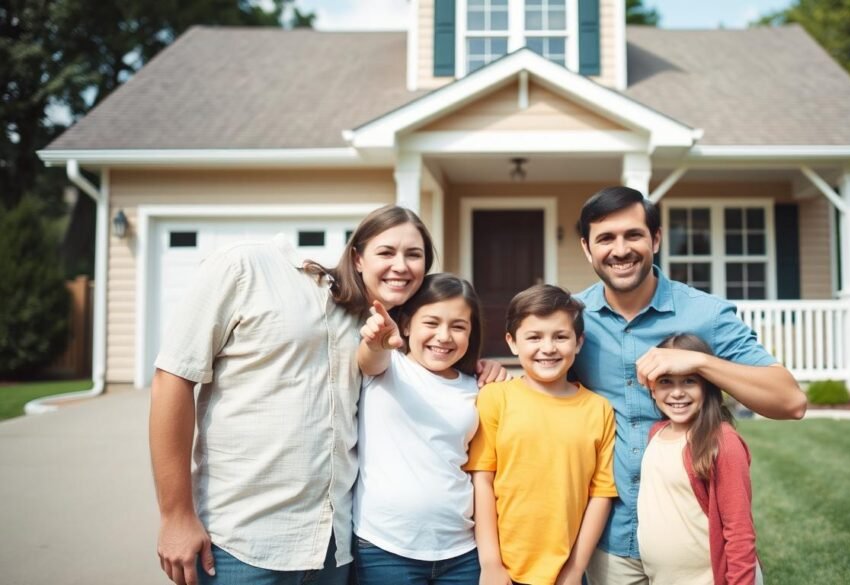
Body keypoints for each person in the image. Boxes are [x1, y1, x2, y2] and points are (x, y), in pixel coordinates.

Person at [149, 206, 504, 585]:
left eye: (414, 255)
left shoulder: (381, 333)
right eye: (386, 252)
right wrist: (175, 515)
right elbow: (173, 376)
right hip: (241, 543)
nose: (401, 265)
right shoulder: (248, 267)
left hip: (334, 550)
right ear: (357, 257)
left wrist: (479, 368)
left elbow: (428, 365)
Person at [572, 186, 806, 585]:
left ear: (656, 239)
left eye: (633, 235)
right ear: (586, 248)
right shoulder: (572, 319)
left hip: (694, 545)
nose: (620, 249)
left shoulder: (706, 314)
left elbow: (790, 401)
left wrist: (700, 361)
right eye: (605, 238)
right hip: (609, 544)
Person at [467, 285, 617, 585]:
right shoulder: (495, 398)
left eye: (560, 337)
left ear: (578, 342)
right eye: (534, 337)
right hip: (502, 570)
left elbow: (601, 494)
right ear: (512, 342)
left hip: (565, 572)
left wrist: (575, 570)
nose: (548, 348)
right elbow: (482, 479)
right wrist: (491, 563)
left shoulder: (598, 409)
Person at [352, 273, 485, 584]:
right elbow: (370, 359)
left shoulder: (477, 388)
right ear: (408, 324)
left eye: (458, 326)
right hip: (385, 547)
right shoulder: (389, 367)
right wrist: (377, 341)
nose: (444, 336)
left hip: (462, 550)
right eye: (432, 322)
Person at [638, 334, 761, 585]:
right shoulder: (656, 434)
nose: (677, 393)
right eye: (665, 381)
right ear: (652, 387)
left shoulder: (722, 443)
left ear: (707, 385)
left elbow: (739, 532)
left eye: (689, 381)